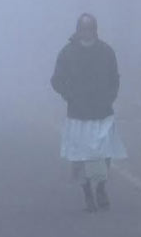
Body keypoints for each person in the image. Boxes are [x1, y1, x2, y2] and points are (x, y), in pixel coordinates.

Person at [51, 13, 127, 212]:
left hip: (103, 111)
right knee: (80, 155)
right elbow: (56, 80)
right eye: (83, 28)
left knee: (104, 151)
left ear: (95, 29)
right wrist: (70, 96)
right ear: (78, 30)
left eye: (90, 28)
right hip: (78, 114)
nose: (87, 32)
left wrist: (110, 97)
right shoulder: (67, 53)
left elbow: (114, 77)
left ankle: (101, 187)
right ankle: (87, 192)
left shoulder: (106, 52)